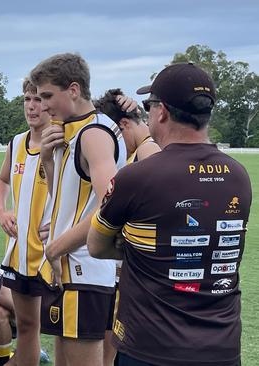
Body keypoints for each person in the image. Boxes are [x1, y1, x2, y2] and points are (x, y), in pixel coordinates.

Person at [88, 62, 251, 366]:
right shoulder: (238, 175)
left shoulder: (136, 177)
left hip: (151, 349)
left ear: (161, 112)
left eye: (149, 106)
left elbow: (96, 246)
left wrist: (132, 245)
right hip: (223, 349)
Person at [30, 53, 127, 366]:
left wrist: (57, 247)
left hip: (84, 270)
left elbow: (110, 204)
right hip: (72, 271)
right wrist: (47, 157)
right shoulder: (73, 130)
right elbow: (67, 197)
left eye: (47, 96)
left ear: (73, 90)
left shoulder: (94, 134)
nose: (42, 105)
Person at [93, 88, 160, 365]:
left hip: (140, 278)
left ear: (122, 126)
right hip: (123, 277)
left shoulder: (148, 152)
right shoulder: (137, 153)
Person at [0, 78, 50, 365]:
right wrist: (2, 211)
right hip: (19, 254)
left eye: (39, 99)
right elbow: (2, 181)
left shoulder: (63, 142)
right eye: (27, 99)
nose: (32, 106)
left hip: (53, 257)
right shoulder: (17, 143)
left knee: (66, 332)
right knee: (28, 328)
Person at [94, 89, 160, 164]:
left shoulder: (148, 149)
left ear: (125, 123)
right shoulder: (143, 149)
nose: (116, 145)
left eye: (115, 138)